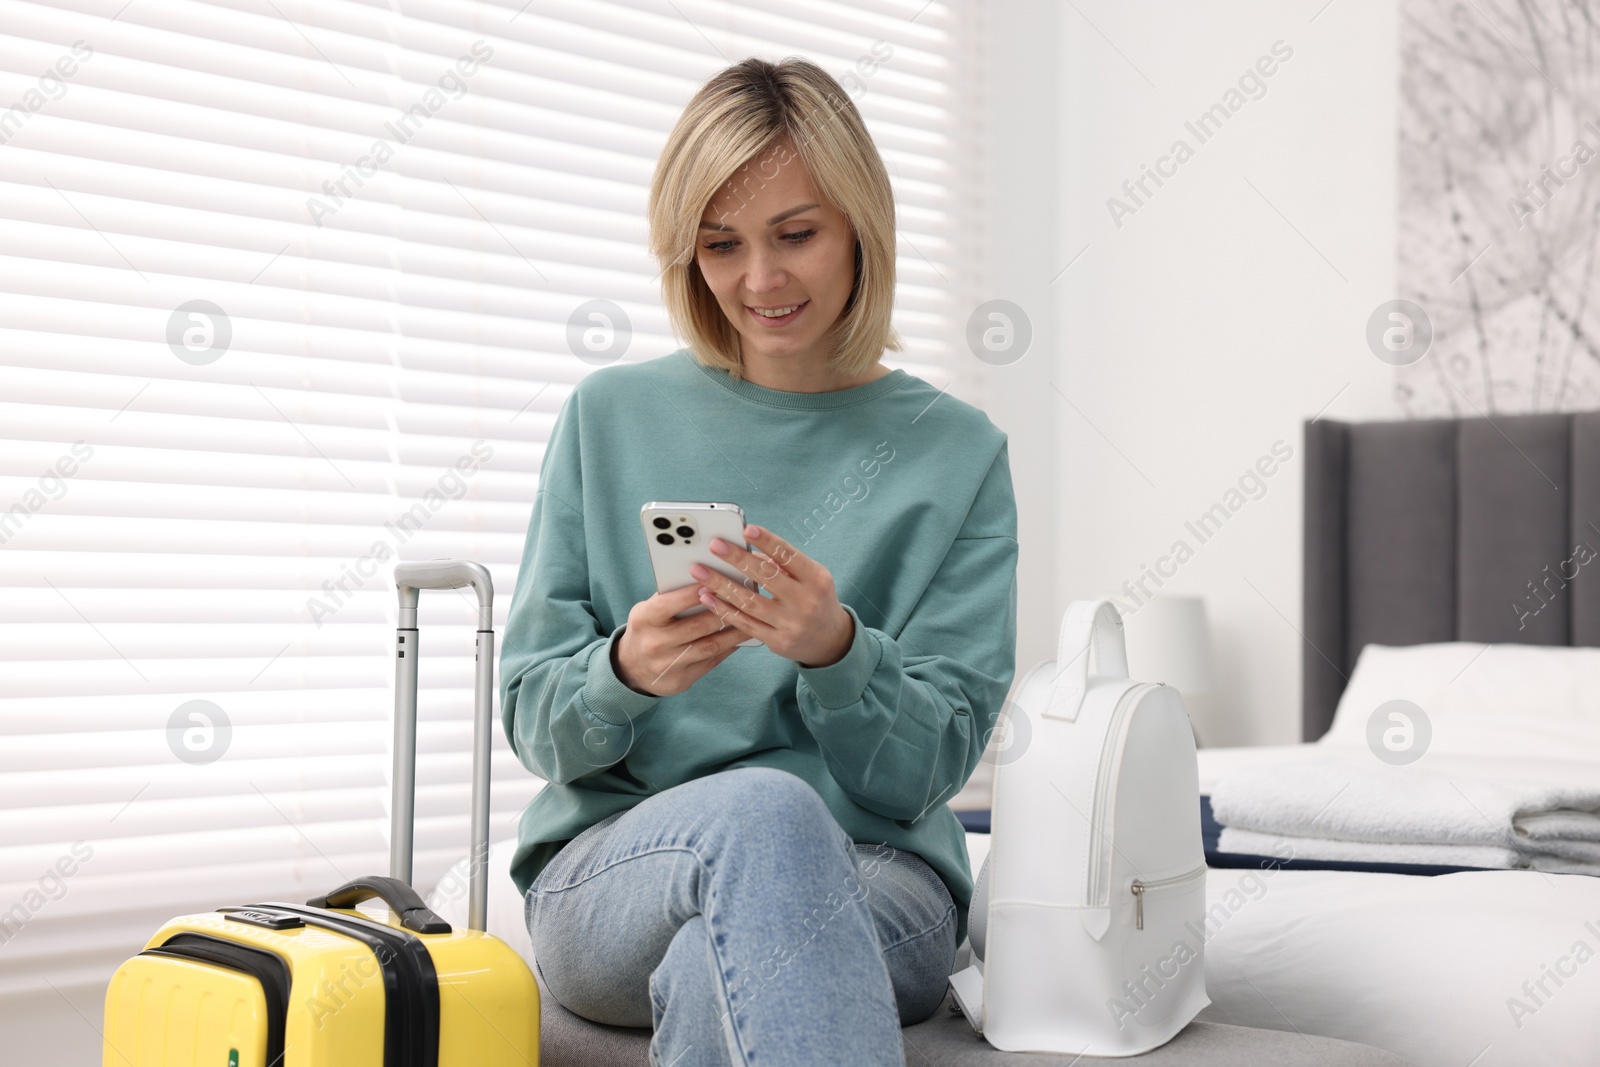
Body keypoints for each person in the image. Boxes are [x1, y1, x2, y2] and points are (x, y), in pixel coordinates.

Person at [500, 55, 1018, 1066]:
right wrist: (619, 675)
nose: (760, 280)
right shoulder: (608, 418)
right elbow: (533, 718)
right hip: (615, 871)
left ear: (861, 225)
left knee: (717, 959)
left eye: (796, 234)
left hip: (879, 878)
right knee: (761, 810)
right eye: (720, 245)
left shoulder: (956, 453)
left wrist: (838, 654)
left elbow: (930, 767)